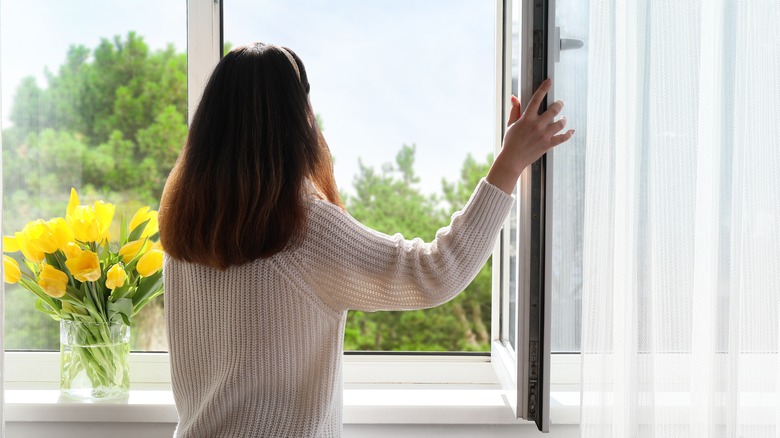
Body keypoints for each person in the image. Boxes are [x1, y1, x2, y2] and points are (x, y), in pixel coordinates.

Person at [159, 42, 573, 438]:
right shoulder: (300, 228)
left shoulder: (187, 229)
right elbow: (435, 272)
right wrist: (510, 163)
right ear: (298, 121)